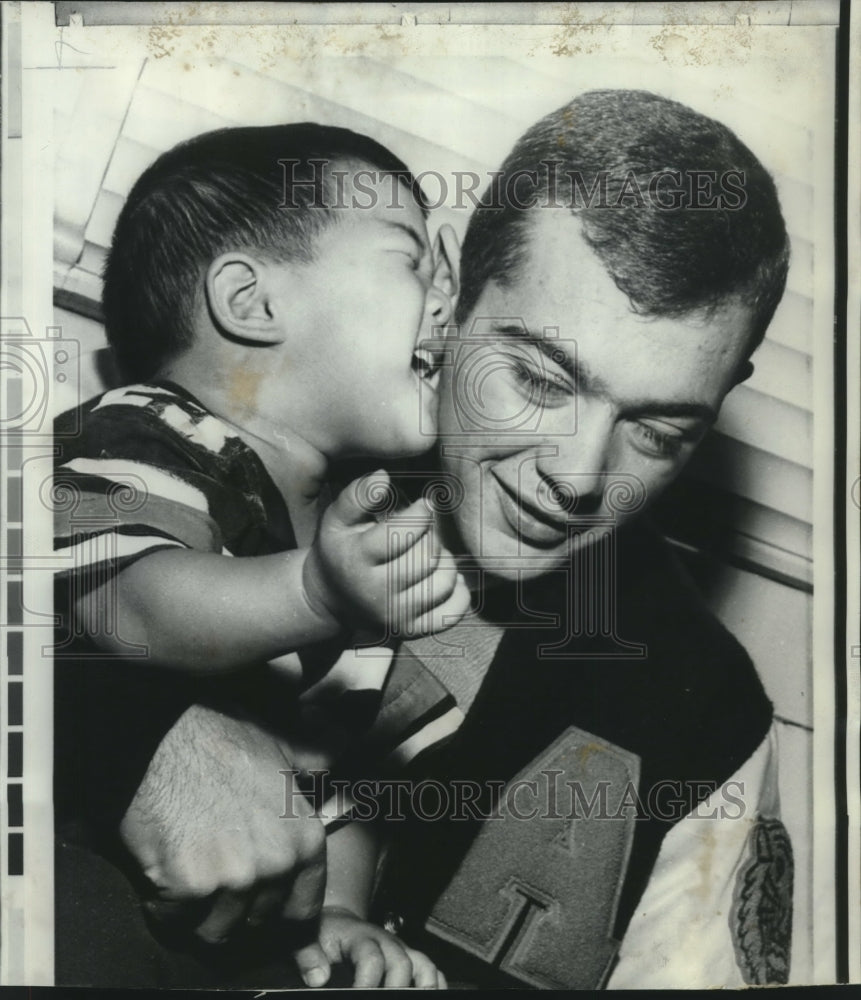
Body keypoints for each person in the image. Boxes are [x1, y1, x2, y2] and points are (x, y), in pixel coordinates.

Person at [56, 89, 794, 990]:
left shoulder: (707, 719)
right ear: (449, 293)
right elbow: (83, 555)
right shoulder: (259, 470)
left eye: (659, 431)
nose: (577, 473)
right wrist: (127, 727)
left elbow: (341, 798)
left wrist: (338, 918)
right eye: (535, 378)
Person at [52, 122, 470, 988]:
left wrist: (342, 915)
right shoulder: (144, 428)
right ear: (250, 301)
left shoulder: (350, 531)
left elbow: (334, 781)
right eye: (409, 263)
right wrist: (314, 592)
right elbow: (126, 605)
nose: (448, 303)